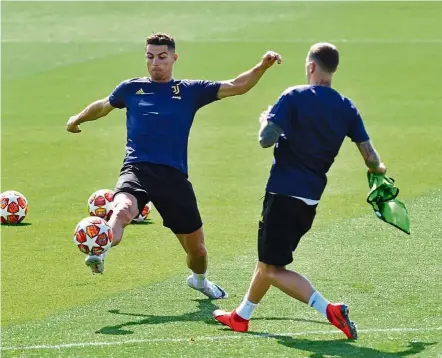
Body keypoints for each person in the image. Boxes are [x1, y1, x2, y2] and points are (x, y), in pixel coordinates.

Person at [66, 33, 282, 300]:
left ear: (174, 58)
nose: (155, 63)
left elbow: (237, 86)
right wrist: (77, 119)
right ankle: (100, 249)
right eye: (150, 57)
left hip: (173, 178)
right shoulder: (131, 89)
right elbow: (103, 106)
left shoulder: (191, 91)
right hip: (137, 169)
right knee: (121, 210)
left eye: (162, 57)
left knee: (198, 252)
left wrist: (262, 66)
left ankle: (199, 280)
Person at [213, 42, 386, 338]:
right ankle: (241, 316)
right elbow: (371, 157)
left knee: (272, 269)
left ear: (310, 66)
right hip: (310, 200)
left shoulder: (294, 96)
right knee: (268, 260)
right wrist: (379, 173)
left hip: (282, 194)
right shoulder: (346, 107)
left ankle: (329, 308)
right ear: (333, 70)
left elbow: (265, 140)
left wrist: (267, 120)